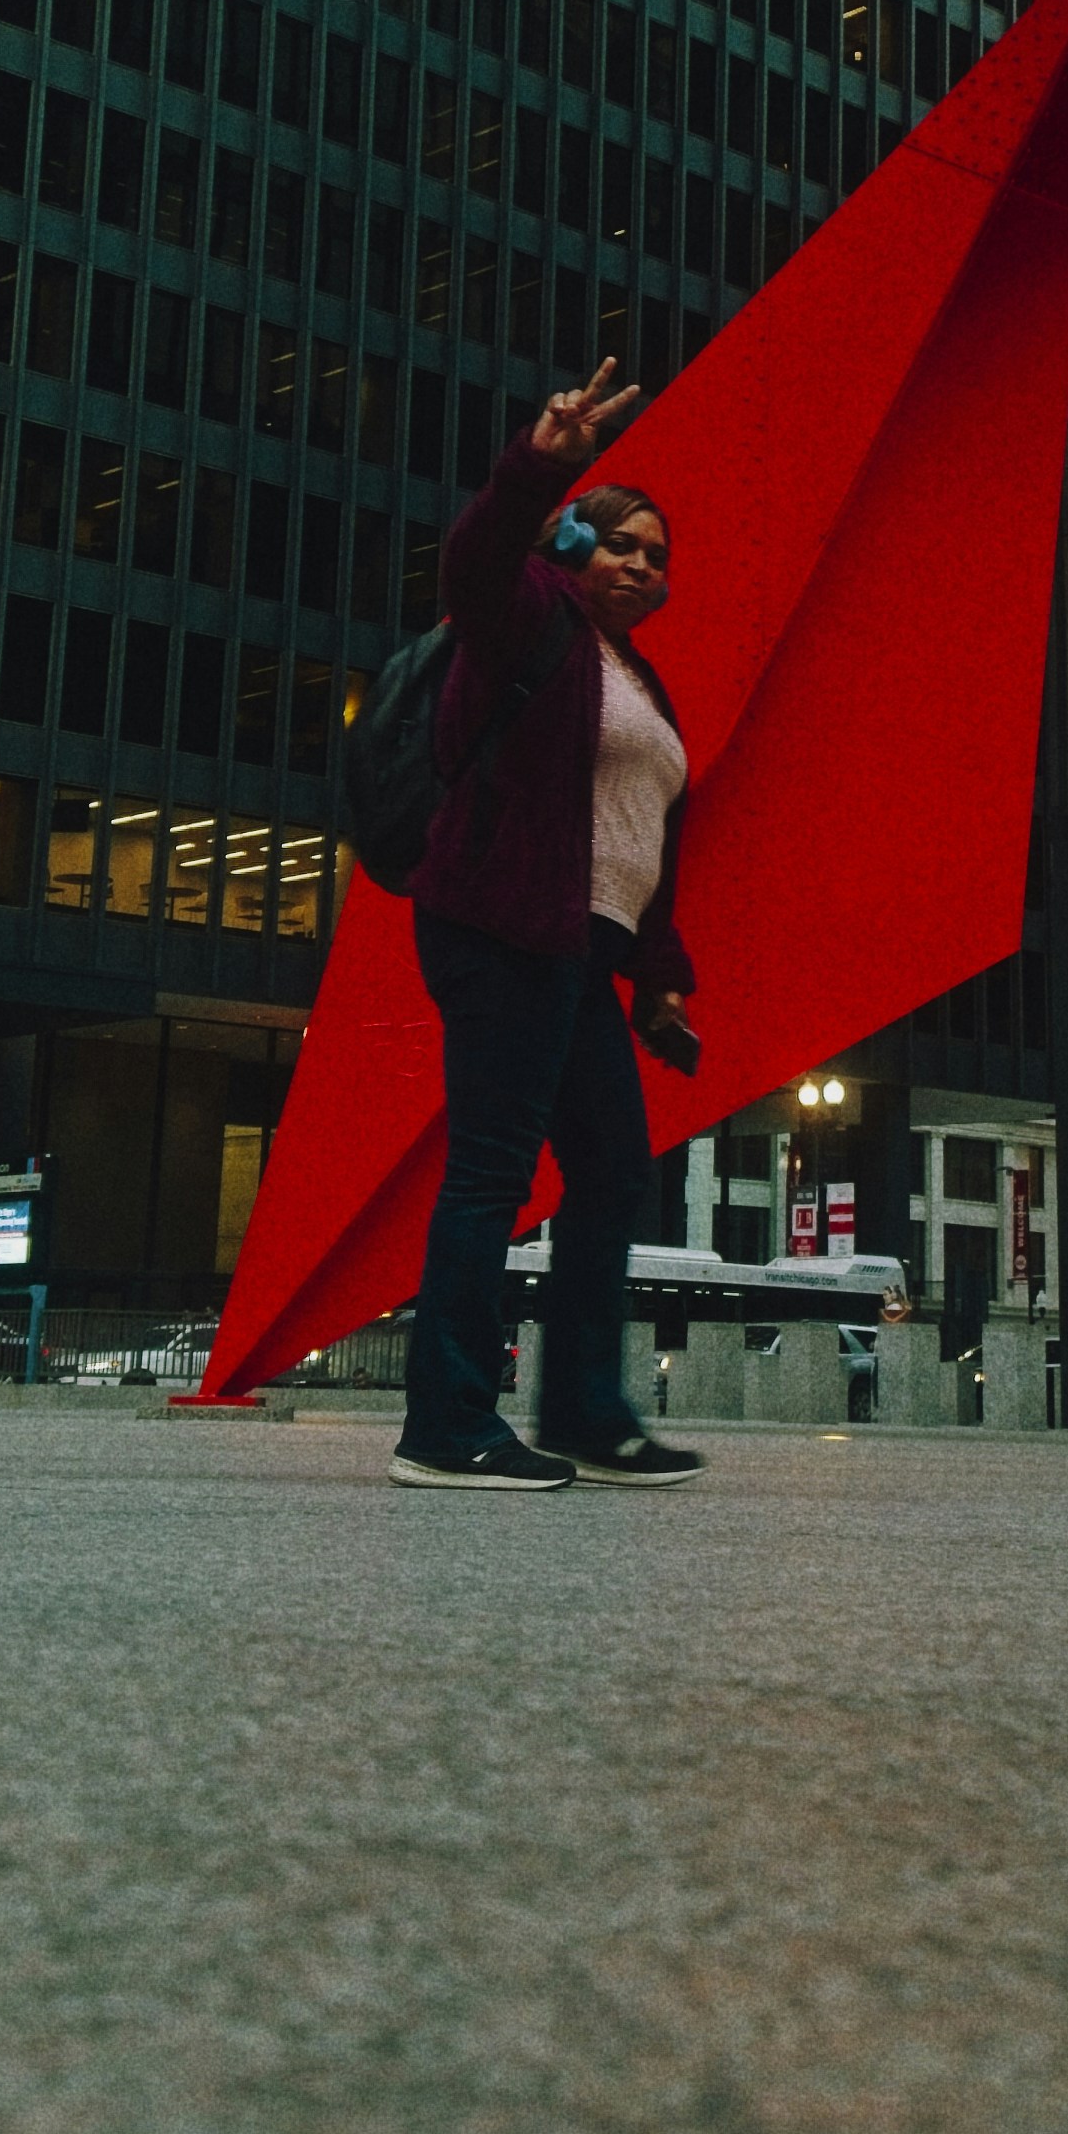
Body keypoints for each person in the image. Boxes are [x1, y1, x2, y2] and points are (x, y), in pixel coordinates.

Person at [395, 357, 707, 1493]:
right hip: (501, 928)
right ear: (574, 547)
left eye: (657, 553)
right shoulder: (526, 617)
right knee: (490, 1171)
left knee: (613, 1171)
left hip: (584, 957)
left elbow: (649, 847)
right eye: (620, 539)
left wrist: (658, 978)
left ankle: (584, 1413)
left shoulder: (641, 682)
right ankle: (445, 1428)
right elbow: (474, 559)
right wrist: (540, 468)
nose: (640, 561)